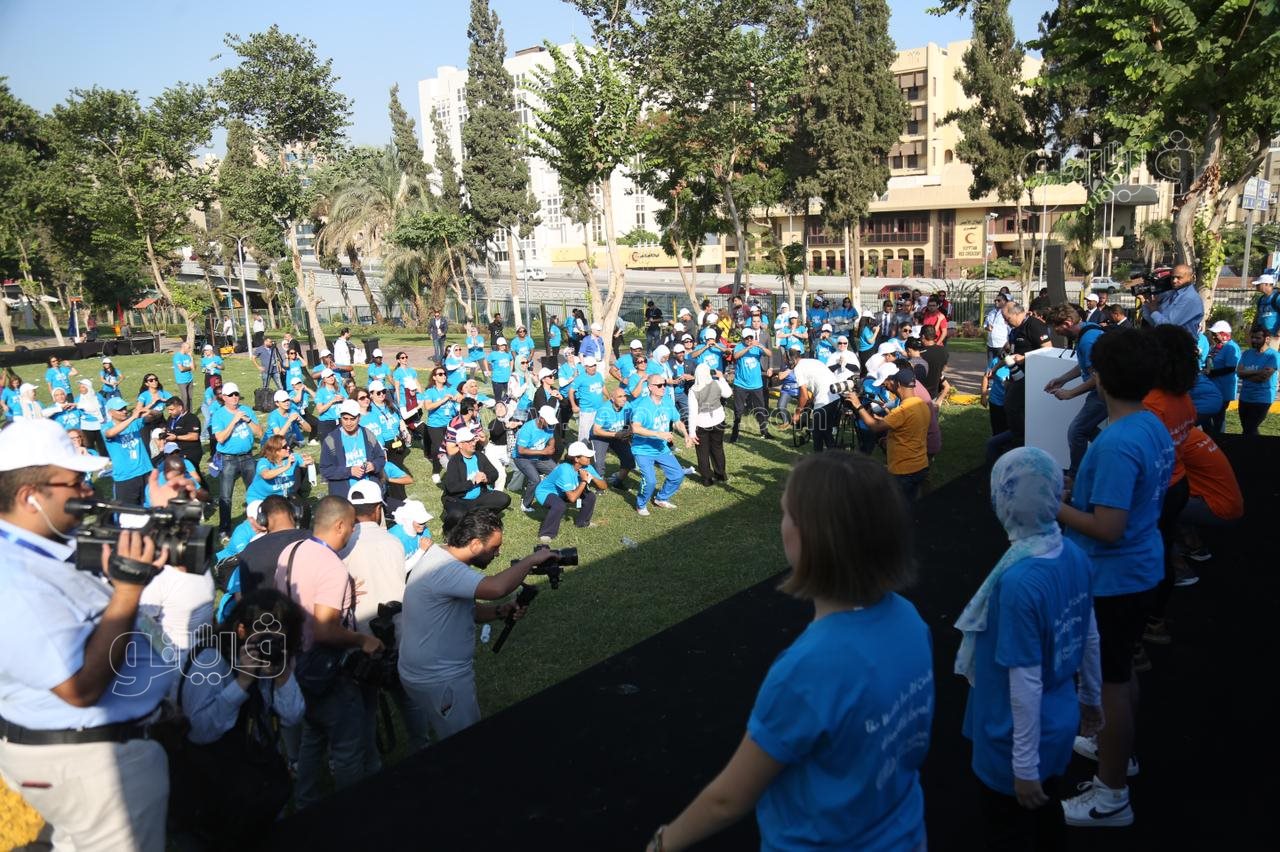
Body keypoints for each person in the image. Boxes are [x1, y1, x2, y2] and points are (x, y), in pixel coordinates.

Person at [646, 452, 932, 852]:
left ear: (811, 537)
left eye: (787, 514)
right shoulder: (909, 620)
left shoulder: (808, 670)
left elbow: (727, 799)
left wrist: (663, 843)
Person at [0, 420, 180, 851]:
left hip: (85, 755)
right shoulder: (14, 578)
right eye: (75, 482)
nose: (88, 491)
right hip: (89, 763)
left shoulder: (39, 546)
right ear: (30, 496)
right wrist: (128, 590)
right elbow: (79, 688)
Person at [1055, 327, 1173, 828]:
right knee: (1118, 675)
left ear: (1099, 378)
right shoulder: (1149, 424)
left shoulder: (1116, 443)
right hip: (1138, 569)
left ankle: (1111, 795)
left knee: (1109, 684)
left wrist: (1055, 505)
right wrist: (1077, 495)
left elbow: (1107, 527)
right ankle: (1115, 753)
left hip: (1115, 579)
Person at [956, 447, 1101, 850]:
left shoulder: (1018, 583)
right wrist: (1091, 699)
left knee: (1008, 828)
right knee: (1047, 815)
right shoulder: (1074, 553)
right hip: (1059, 719)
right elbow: (1089, 633)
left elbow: (1024, 681)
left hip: (1013, 737)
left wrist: (1023, 765)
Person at [398, 508, 554, 745]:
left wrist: (500, 611)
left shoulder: (441, 554)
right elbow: (496, 588)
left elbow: (465, 610)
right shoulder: (445, 569)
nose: (498, 553)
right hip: (441, 678)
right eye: (494, 548)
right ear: (474, 545)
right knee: (465, 745)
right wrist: (531, 561)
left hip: (424, 671)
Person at [274, 496, 383, 808]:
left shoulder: (291, 550)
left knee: (313, 735)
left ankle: (305, 800)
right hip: (326, 668)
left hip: (296, 662)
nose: (351, 533)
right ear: (339, 525)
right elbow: (323, 630)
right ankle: (352, 810)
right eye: (351, 527)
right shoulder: (331, 565)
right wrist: (362, 641)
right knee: (348, 747)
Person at [174, 588, 303, 845]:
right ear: (241, 630)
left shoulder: (276, 657)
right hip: (212, 791)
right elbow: (199, 731)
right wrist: (242, 682)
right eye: (264, 637)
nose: (270, 646)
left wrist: (282, 674)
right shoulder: (210, 660)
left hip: (254, 784)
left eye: (280, 638)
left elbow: (292, 716)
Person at [1044, 303, 1109, 476]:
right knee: (1085, 429)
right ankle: (1110, 454)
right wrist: (1062, 379)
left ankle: (1075, 476)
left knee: (1077, 431)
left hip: (1103, 391)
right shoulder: (1089, 329)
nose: (1055, 331)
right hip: (1104, 389)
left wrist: (1070, 394)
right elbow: (1085, 365)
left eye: (1056, 327)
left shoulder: (1087, 340)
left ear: (1068, 323)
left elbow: (1097, 378)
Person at [850, 365, 932, 501]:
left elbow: (875, 427)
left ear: (897, 384)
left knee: (900, 506)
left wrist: (858, 405)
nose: (887, 387)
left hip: (903, 470)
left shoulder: (903, 410)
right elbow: (908, 428)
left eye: (888, 383)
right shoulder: (922, 404)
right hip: (921, 464)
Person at [340, 482, 409, 631]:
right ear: (378, 509)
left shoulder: (342, 544)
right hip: (397, 626)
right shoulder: (394, 541)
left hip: (359, 630)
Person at [631, 373, 692, 516]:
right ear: (650, 387)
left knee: (677, 475)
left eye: (664, 384)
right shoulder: (643, 406)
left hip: (661, 448)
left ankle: (661, 498)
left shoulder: (667, 401)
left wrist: (686, 435)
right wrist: (658, 434)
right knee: (650, 481)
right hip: (643, 450)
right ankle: (641, 504)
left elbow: (677, 421)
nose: (663, 387)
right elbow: (635, 428)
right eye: (659, 385)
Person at [210, 382, 264, 537]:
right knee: (226, 495)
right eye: (230, 395)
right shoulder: (219, 415)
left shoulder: (246, 410)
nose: (234, 397)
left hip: (247, 457)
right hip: (228, 459)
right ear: (224, 397)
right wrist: (234, 421)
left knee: (254, 491)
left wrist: (248, 420)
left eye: (236, 394)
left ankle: (258, 522)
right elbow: (220, 438)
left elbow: (260, 433)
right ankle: (224, 529)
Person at [319, 399, 387, 499]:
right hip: (344, 497)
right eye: (345, 419)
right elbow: (325, 470)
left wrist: (373, 465)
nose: (348, 423)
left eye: (352, 419)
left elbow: (381, 458)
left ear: (359, 418)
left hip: (369, 493)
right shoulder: (331, 440)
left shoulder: (368, 434)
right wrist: (349, 471)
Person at [442, 426, 512, 515]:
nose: (473, 443)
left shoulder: (479, 456)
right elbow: (452, 488)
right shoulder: (454, 462)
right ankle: (475, 515)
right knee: (456, 515)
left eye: (474, 440)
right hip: (460, 500)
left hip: (480, 497)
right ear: (460, 445)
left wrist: (486, 478)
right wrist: (473, 481)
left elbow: (494, 473)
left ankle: (479, 514)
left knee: (504, 499)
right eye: (469, 441)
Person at [102, 396, 159, 505]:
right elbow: (110, 433)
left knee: (152, 507)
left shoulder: (135, 423)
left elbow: (157, 415)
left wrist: (150, 411)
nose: (124, 411)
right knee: (129, 511)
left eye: (125, 408)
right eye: (120, 410)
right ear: (110, 413)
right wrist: (132, 417)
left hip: (145, 471)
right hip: (126, 477)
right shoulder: (106, 427)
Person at [729, 329, 776, 442]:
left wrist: (760, 345)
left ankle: (764, 431)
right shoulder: (739, 346)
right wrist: (748, 348)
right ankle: (735, 434)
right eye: (747, 338)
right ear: (743, 339)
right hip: (741, 384)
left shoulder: (757, 346)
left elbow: (770, 354)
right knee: (738, 410)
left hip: (756, 384)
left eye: (751, 337)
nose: (749, 340)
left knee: (760, 409)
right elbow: (735, 356)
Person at [789, 357, 843, 453]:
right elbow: (818, 381)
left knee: (817, 434)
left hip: (824, 400)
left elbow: (804, 395)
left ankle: (819, 459)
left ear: (791, 359)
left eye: (785, 359)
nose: (786, 362)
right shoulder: (813, 361)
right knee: (826, 431)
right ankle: (834, 457)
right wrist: (812, 399)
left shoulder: (798, 368)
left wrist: (797, 413)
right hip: (836, 396)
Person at [512, 405, 559, 512]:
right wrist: (543, 452)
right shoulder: (528, 428)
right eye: (548, 421)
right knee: (535, 479)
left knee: (557, 472)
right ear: (541, 418)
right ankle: (525, 504)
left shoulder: (549, 426)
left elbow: (551, 439)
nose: (551, 424)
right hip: (522, 458)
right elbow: (521, 450)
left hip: (539, 457)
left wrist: (551, 447)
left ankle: (549, 496)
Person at [1137, 263, 1203, 336]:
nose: (1174, 281)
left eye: (1179, 277)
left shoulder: (1190, 298)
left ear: (1190, 278)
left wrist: (1154, 310)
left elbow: (1169, 327)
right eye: (1172, 277)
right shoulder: (1171, 294)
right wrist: (1147, 303)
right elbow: (1155, 323)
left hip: (1180, 342)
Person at [1236, 326, 1278, 435]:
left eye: (1258, 338)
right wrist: (1259, 371)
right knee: (1247, 428)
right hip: (1245, 397)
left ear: (1267, 339)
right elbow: (1239, 373)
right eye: (1253, 337)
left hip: (1262, 398)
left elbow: (1263, 378)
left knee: (1250, 428)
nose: (1254, 340)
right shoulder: (1247, 353)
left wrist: (1246, 375)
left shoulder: (1273, 355)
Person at [592, 386, 636, 487]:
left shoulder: (628, 406)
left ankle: (618, 482)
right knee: (599, 463)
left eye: (625, 396)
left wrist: (627, 431)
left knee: (629, 460)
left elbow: (629, 422)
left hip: (617, 435)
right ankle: (600, 486)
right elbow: (596, 431)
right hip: (601, 436)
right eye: (620, 396)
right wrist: (615, 434)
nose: (624, 399)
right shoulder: (604, 410)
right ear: (612, 399)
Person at [1204, 320, 1241, 433]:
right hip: (1214, 386)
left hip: (1223, 388)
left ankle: (1219, 439)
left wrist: (1212, 373)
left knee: (1218, 417)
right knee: (1210, 416)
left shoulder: (1231, 347)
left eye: (1216, 334)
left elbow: (1231, 367)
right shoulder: (1218, 347)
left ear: (1224, 334)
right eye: (1213, 334)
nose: (1213, 336)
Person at [570, 354, 607, 442]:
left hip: (599, 409)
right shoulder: (580, 378)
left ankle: (595, 446)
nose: (593, 368)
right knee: (584, 434)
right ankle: (582, 448)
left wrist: (609, 397)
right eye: (591, 366)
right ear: (586, 367)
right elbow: (571, 391)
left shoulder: (599, 375)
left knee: (598, 430)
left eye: (594, 365)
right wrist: (573, 405)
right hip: (587, 410)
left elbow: (603, 387)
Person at [160, 394, 203, 469]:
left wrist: (176, 437)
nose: (169, 412)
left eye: (171, 409)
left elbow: (194, 436)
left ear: (180, 407)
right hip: (176, 452)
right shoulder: (171, 418)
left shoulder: (191, 418)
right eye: (168, 410)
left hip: (190, 452)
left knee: (192, 473)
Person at [919, 324, 950, 400]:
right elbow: (944, 368)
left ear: (923, 336)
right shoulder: (944, 351)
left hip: (919, 394)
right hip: (934, 394)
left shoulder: (919, 353)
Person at [1254, 272, 1280, 350]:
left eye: (1258, 284)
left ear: (1266, 284)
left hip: (1274, 336)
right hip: (1262, 336)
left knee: (1272, 356)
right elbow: (1257, 315)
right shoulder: (1261, 299)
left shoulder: (1277, 297)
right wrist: (1252, 330)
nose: (1256, 286)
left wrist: (1279, 332)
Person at [985, 292, 1011, 362]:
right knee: (990, 365)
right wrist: (987, 327)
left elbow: (1011, 330)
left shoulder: (1007, 314)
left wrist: (1009, 343)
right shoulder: (991, 313)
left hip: (1002, 345)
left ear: (1004, 302)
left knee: (1001, 366)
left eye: (999, 300)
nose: (996, 302)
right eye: (995, 300)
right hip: (990, 345)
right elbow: (985, 325)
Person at [171, 340, 195, 410]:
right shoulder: (177, 356)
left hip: (190, 379)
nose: (190, 349)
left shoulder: (188, 356)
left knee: (190, 398)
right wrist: (190, 367)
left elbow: (193, 368)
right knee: (184, 398)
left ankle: (190, 413)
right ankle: (183, 413)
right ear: (183, 347)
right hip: (181, 380)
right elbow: (181, 369)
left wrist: (191, 358)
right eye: (188, 348)